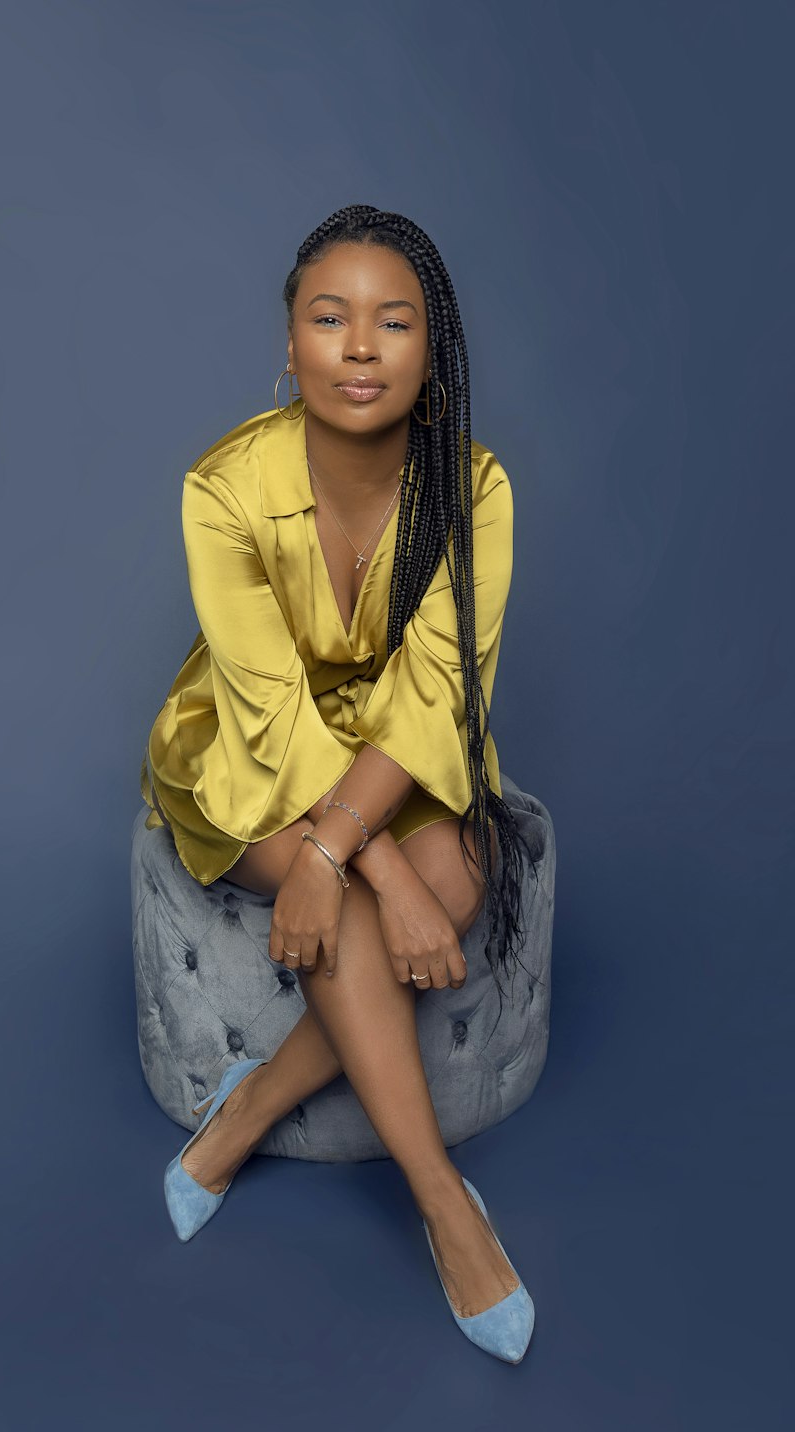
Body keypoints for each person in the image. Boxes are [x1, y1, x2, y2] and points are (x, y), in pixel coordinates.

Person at [140, 204, 534, 1363]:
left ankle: (253, 1106)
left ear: (433, 345)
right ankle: (444, 1202)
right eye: (330, 317)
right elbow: (268, 708)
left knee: (455, 866)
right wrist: (355, 863)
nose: (359, 347)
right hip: (248, 758)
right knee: (389, 904)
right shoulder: (221, 486)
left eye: (392, 320)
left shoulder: (476, 487)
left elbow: (433, 691)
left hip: (401, 756)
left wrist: (345, 853)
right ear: (291, 341)